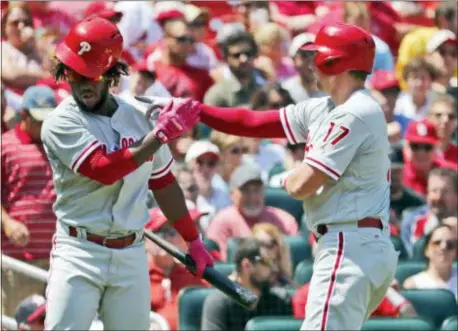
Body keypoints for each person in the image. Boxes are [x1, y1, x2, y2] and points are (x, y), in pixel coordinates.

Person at [151, 22, 399, 330]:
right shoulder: (328, 107)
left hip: (349, 246)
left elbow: (301, 184)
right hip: (355, 243)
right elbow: (252, 121)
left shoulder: (355, 111)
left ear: (334, 62)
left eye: (317, 56)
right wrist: (194, 110)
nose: (310, 64)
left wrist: (284, 178)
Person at [40, 17, 213, 330]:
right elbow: (103, 170)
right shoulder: (59, 121)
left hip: (131, 253)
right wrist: (159, 136)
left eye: (92, 74)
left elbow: (163, 182)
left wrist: (192, 239)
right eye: (75, 74)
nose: (82, 83)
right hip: (79, 250)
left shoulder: (137, 117)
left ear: (111, 73)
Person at [1, 86, 57, 316]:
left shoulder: (59, 145)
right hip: (18, 259)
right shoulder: (5, 146)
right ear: (23, 115)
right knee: (14, 321)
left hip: (57, 258)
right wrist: (7, 223)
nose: (44, 126)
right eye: (39, 120)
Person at [206, 164, 298, 261]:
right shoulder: (222, 222)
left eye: (257, 190)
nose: (252, 197)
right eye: (246, 191)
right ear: (232, 194)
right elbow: (220, 264)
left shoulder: (283, 220)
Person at [201, 238, 293, 331]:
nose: (275, 268)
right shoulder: (219, 303)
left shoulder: (280, 301)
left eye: (275, 261)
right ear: (247, 266)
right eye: (268, 262)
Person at [144, 210, 208, 331]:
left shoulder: (191, 275)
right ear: (145, 239)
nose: (166, 239)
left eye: (172, 232)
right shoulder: (136, 277)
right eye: (159, 233)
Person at [401, 168, 457, 256]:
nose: (438, 197)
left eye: (444, 191)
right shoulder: (412, 221)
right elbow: (410, 259)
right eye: (434, 191)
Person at [403, 224, 457, 299]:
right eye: (437, 243)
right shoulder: (413, 285)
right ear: (426, 250)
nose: (443, 247)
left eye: (450, 245)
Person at [252, 222, 293, 287]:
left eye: (269, 244)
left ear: (279, 249)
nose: (262, 249)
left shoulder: (284, 283)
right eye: (257, 244)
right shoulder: (245, 272)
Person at [427, 94, 458, 166]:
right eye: (438, 115)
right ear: (428, 118)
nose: (445, 120)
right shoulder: (416, 150)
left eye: (451, 116)